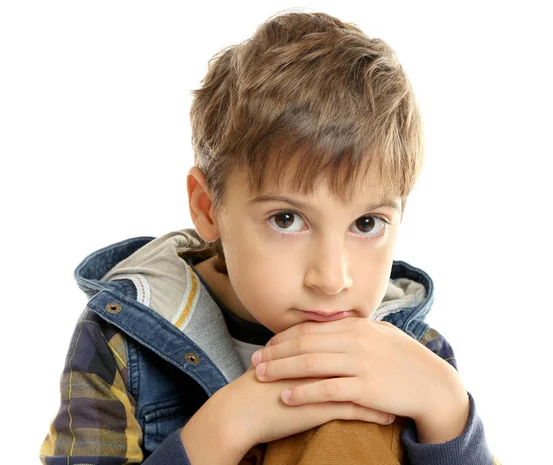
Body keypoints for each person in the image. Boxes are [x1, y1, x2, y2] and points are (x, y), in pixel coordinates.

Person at [39, 10, 501, 465]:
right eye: (286, 219)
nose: (331, 278)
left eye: (366, 224)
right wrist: (223, 428)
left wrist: (448, 410)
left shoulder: (415, 353)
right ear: (207, 207)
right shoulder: (121, 339)